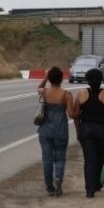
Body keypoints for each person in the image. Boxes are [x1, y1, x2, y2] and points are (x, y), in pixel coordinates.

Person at [73, 68, 104, 198]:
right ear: (101, 80)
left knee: (89, 160)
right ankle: (97, 183)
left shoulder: (81, 95)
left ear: (87, 80)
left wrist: (78, 131)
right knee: (100, 158)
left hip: (86, 130)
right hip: (103, 131)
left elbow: (76, 116)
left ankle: (89, 189)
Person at [36, 66, 75, 197]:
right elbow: (71, 114)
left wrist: (45, 79)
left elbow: (38, 88)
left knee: (47, 159)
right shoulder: (66, 94)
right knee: (60, 157)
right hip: (61, 130)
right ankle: (58, 178)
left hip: (45, 131)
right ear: (62, 79)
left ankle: (49, 187)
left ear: (50, 79)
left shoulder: (44, 92)